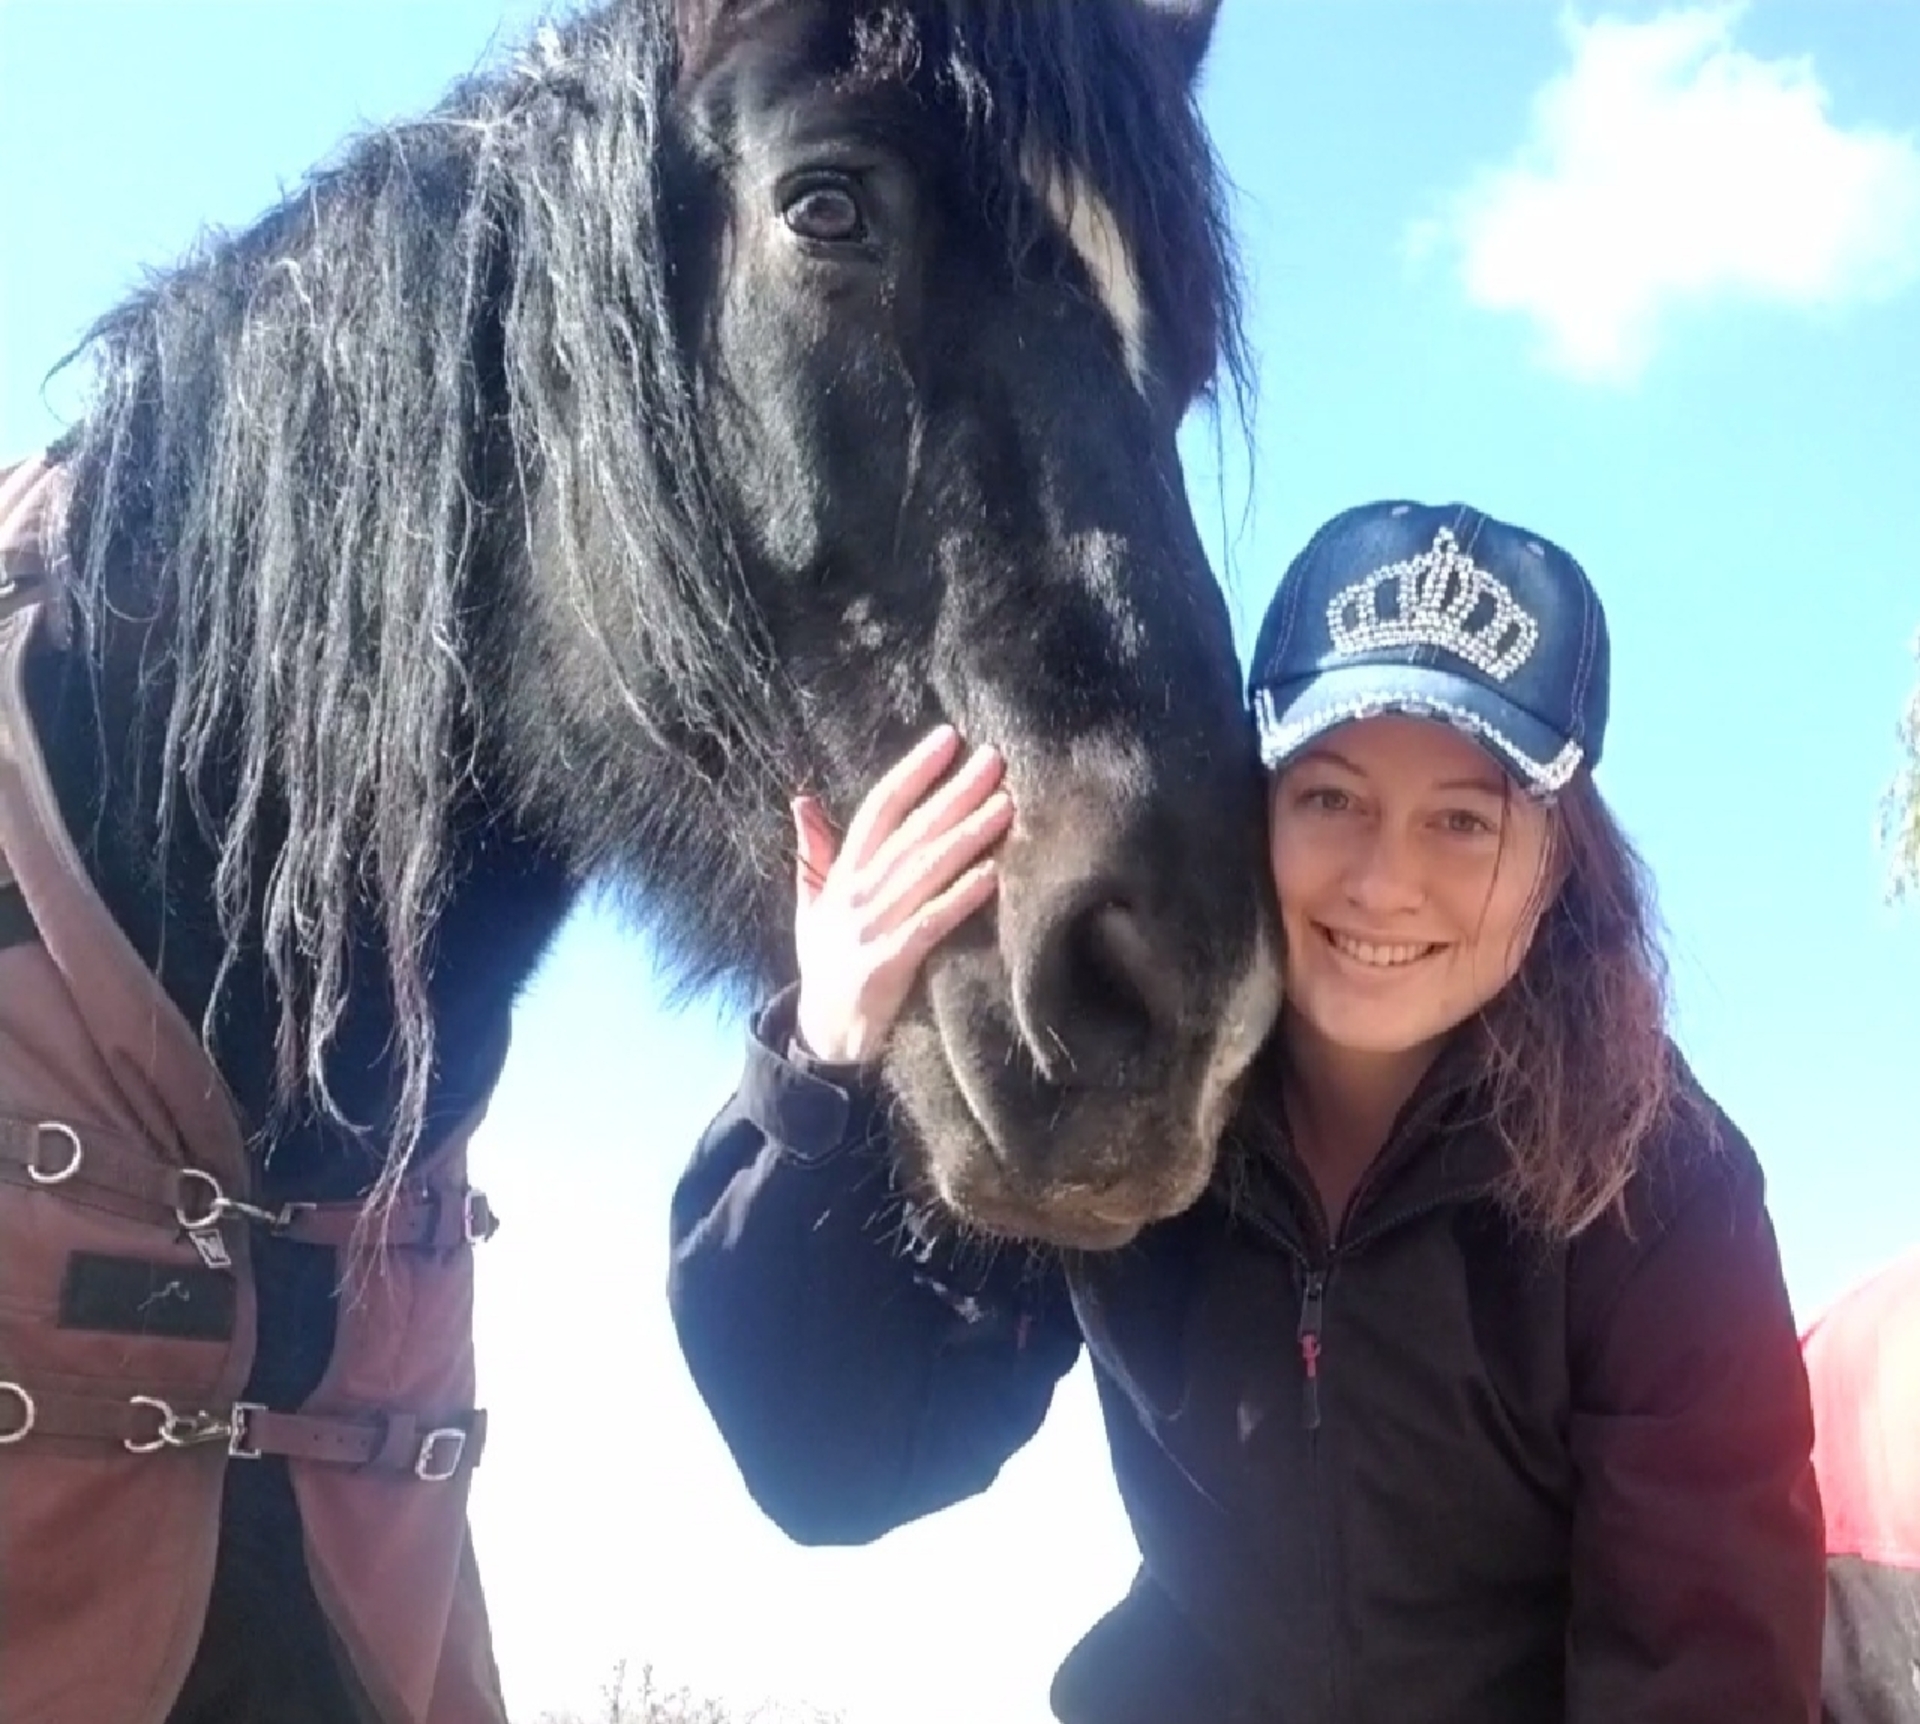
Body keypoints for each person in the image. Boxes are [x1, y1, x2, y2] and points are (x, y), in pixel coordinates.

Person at [667, 499, 1827, 1723]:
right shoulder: (1126, 1091)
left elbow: (1707, 1665)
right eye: (1330, 796)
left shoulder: (1657, 1185)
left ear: (1558, 861)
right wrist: (826, 1051)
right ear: (1251, 805)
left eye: (1464, 819)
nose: (1385, 882)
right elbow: (836, 1465)